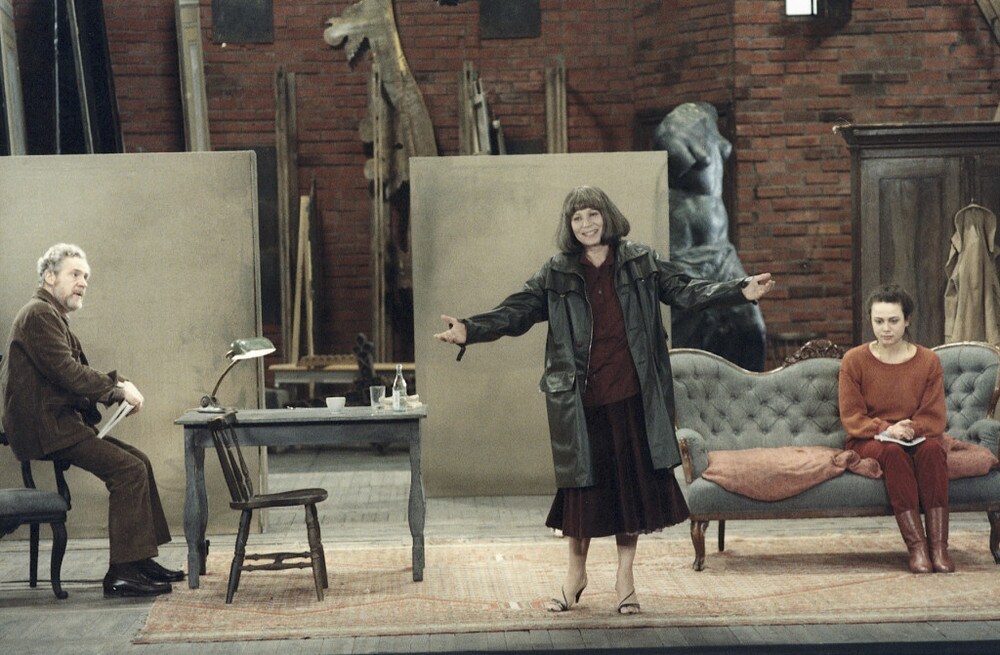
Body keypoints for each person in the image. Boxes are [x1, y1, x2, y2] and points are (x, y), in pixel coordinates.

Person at [434, 186, 775, 614]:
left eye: (592, 215)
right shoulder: (556, 272)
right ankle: (575, 576)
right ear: (569, 226)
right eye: (577, 218)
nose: (586, 224)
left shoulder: (641, 261)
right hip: (580, 400)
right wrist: (470, 329)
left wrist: (739, 290)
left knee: (627, 494)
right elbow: (516, 311)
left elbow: (687, 290)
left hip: (632, 395)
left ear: (606, 217)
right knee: (582, 492)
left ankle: (624, 580)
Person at [0, 243, 184, 597]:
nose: (83, 282)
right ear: (49, 277)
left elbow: (68, 373)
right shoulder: (38, 314)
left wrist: (119, 388)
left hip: (56, 423)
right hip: (46, 428)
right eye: (75, 274)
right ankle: (122, 573)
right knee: (128, 470)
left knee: (139, 462)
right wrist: (116, 391)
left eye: (85, 276)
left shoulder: (48, 314)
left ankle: (139, 560)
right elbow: (68, 372)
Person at [839, 284, 954, 574]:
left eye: (893, 320)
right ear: (870, 320)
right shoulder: (854, 360)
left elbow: (934, 416)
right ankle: (917, 549)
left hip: (916, 435)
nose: (885, 329)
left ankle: (939, 549)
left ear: (907, 320)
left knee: (932, 450)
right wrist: (887, 429)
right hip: (869, 437)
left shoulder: (928, 361)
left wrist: (911, 428)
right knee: (893, 453)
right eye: (878, 321)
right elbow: (852, 417)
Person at [654, 102, 767, 371]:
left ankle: (751, 387)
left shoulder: (710, 124)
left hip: (721, 252)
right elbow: (666, 163)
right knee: (687, 334)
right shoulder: (673, 128)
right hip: (688, 255)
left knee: (752, 325)